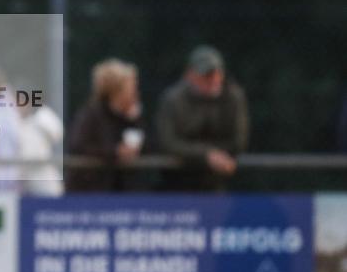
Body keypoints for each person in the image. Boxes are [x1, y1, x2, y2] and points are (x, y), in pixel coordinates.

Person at [155, 45, 250, 192]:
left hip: (218, 182)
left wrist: (209, 155)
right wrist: (207, 155)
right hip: (177, 183)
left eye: (216, 73)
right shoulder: (173, 99)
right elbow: (168, 142)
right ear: (189, 75)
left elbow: (238, 141)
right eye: (206, 75)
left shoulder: (234, 97)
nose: (212, 79)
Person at [66, 59, 144, 192]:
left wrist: (133, 122)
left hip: (120, 191)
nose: (135, 91)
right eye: (130, 86)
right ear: (116, 89)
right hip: (91, 192)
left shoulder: (131, 116)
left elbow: (144, 145)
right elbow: (78, 146)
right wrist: (115, 152)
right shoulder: (91, 115)